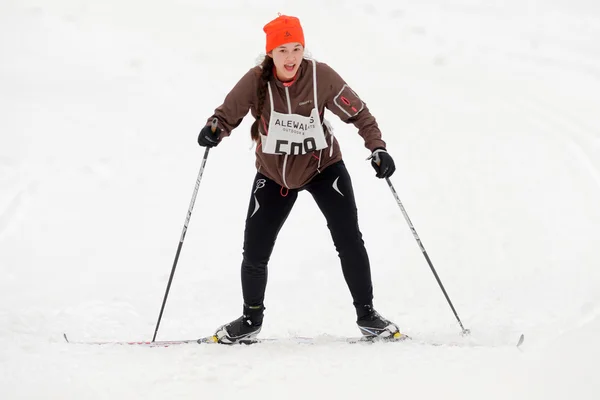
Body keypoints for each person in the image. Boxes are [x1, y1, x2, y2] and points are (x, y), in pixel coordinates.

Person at [197, 14, 402, 344]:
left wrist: (378, 148)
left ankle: (368, 316)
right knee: (254, 251)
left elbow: (361, 115)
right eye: (282, 50)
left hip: (324, 170)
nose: (291, 57)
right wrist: (213, 130)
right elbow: (226, 114)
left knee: (349, 240)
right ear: (270, 54)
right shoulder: (256, 80)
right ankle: (251, 319)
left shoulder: (321, 77)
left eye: (296, 48)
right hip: (274, 175)